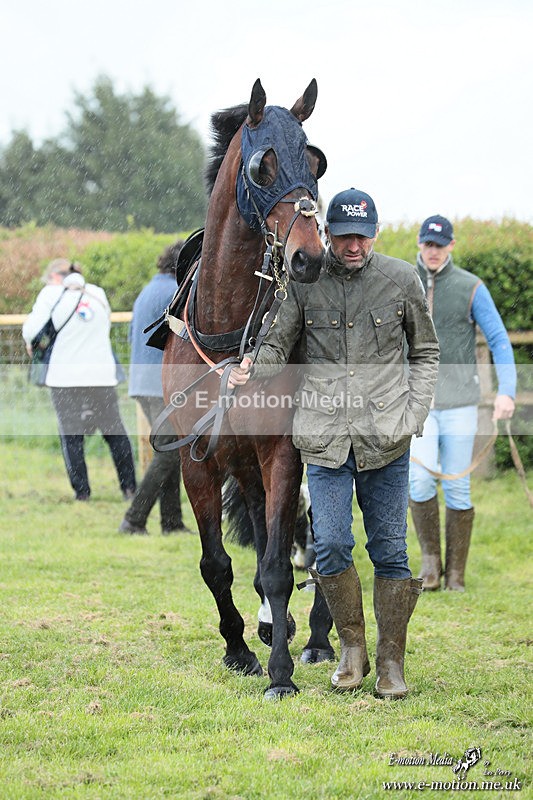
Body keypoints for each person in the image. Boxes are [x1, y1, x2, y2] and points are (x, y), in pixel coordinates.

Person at [230, 188, 440, 698]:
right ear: (327, 233)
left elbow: (427, 350)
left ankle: (391, 663)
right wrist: (254, 368)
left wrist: (413, 412)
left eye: (361, 236)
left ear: (375, 234)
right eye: (343, 235)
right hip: (323, 441)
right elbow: (279, 341)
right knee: (329, 544)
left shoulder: (401, 280)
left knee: (391, 551)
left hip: (386, 442)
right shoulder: (305, 284)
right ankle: (351, 650)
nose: (352, 246)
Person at [409, 215, 516, 592]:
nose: (433, 251)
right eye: (427, 244)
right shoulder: (403, 282)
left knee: (458, 488)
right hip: (418, 404)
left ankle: (456, 574)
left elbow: (500, 339)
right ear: (419, 244)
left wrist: (508, 390)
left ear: (451, 245)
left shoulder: (471, 287)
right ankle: (430, 566)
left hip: (460, 404)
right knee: (420, 480)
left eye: (440, 245)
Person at [22, 258, 136, 501]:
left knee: (71, 436)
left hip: (65, 377)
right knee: (115, 432)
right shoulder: (97, 294)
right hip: (102, 375)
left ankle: (82, 492)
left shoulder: (50, 294)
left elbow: (31, 331)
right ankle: (129, 489)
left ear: (55, 276)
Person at [119, 241, 191, 535]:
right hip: (160, 384)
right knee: (169, 453)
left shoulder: (148, 290)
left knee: (168, 449)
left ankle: (171, 522)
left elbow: (129, 336)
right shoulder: (176, 292)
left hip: (142, 382)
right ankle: (134, 519)